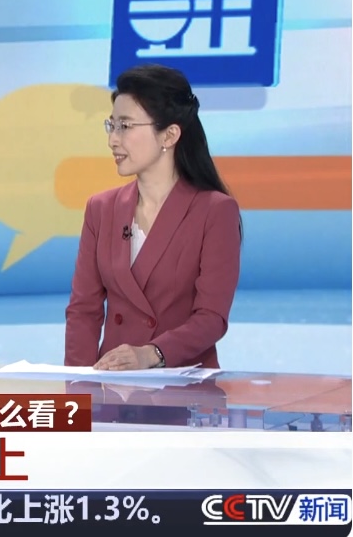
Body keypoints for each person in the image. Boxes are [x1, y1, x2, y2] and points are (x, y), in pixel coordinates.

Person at [65, 64, 241, 370]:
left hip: (183, 382)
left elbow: (212, 317)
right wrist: (79, 386)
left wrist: (152, 353)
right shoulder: (100, 209)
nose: (113, 140)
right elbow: (84, 311)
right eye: (111, 125)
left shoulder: (215, 211)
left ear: (169, 135)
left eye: (125, 126)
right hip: (113, 382)